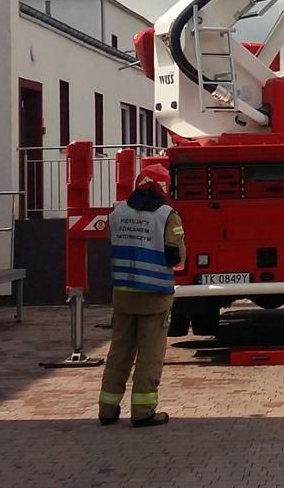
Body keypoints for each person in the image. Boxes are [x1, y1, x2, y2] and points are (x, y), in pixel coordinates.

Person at [99, 165, 184, 428]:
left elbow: (111, 242)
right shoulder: (167, 215)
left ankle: (107, 409)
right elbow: (176, 255)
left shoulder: (117, 212)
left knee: (119, 352)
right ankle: (143, 411)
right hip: (154, 296)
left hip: (123, 294)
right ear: (164, 186)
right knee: (149, 355)